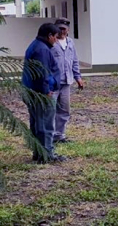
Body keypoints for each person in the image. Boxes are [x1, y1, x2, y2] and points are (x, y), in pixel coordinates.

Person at [21, 23, 64, 163]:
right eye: (56, 37)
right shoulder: (42, 50)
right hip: (40, 94)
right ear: (49, 36)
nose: (56, 41)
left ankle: (39, 154)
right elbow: (42, 74)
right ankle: (46, 155)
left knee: (37, 124)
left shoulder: (36, 45)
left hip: (32, 92)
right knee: (45, 125)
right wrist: (46, 92)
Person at [51, 17, 84, 143]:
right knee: (51, 109)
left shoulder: (70, 42)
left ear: (68, 30)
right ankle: (50, 135)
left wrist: (78, 77)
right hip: (53, 83)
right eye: (59, 29)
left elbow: (74, 60)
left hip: (66, 81)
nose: (62, 31)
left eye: (64, 29)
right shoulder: (51, 43)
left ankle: (60, 135)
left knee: (64, 110)